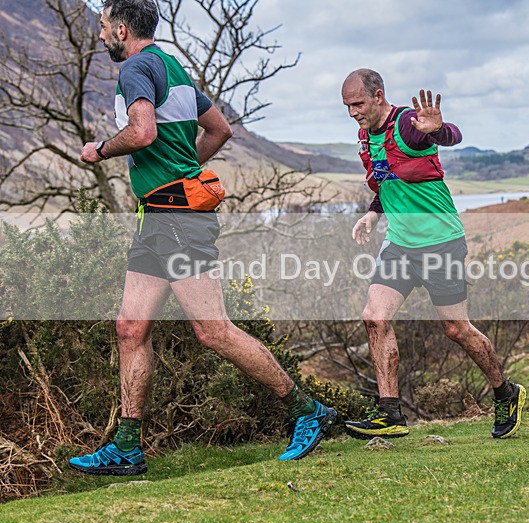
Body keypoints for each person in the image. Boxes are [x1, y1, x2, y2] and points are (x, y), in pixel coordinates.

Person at [70, 0, 335, 475]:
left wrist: (100, 150)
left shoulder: (135, 69)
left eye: (104, 25)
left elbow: (142, 132)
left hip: (177, 219)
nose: (101, 34)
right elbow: (220, 129)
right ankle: (127, 448)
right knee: (130, 328)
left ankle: (307, 410)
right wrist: (185, 167)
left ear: (122, 29)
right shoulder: (172, 67)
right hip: (156, 218)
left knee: (213, 331)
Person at [341, 69, 526, 440]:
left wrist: (439, 130)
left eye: (358, 104)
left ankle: (505, 392)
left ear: (378, 96)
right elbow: (387, 181)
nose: (353, 113)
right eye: (347, 106)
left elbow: (450, 135)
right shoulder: (366, 137)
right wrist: (374, 213)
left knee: (456, 329)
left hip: (440, 243)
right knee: (374, 318)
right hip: (399, 244)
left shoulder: (408, 125)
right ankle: (390, 413)